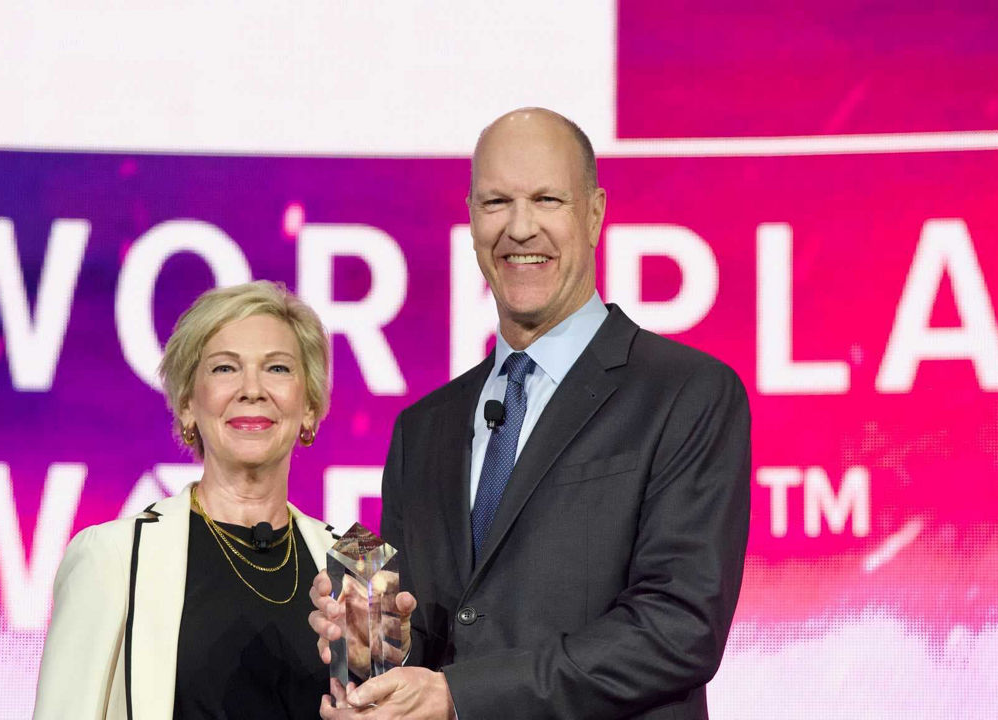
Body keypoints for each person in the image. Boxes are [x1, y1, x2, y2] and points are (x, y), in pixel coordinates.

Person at [309, 108, 751, 719]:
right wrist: (375, 652)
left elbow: (678, 628)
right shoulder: (423, 428)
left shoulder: (685, 393)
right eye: (497, 203)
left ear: (593, 214)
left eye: (547, 200)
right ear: (471, 218)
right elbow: (432, 642)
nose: (520, 228)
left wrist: (463, 695)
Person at [34, 280, 339, 719]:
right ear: (187, 406)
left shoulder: (358, 561)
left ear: (308, 405)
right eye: (224, 368)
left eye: (277, 368)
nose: (252, 389)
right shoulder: (113, 556)